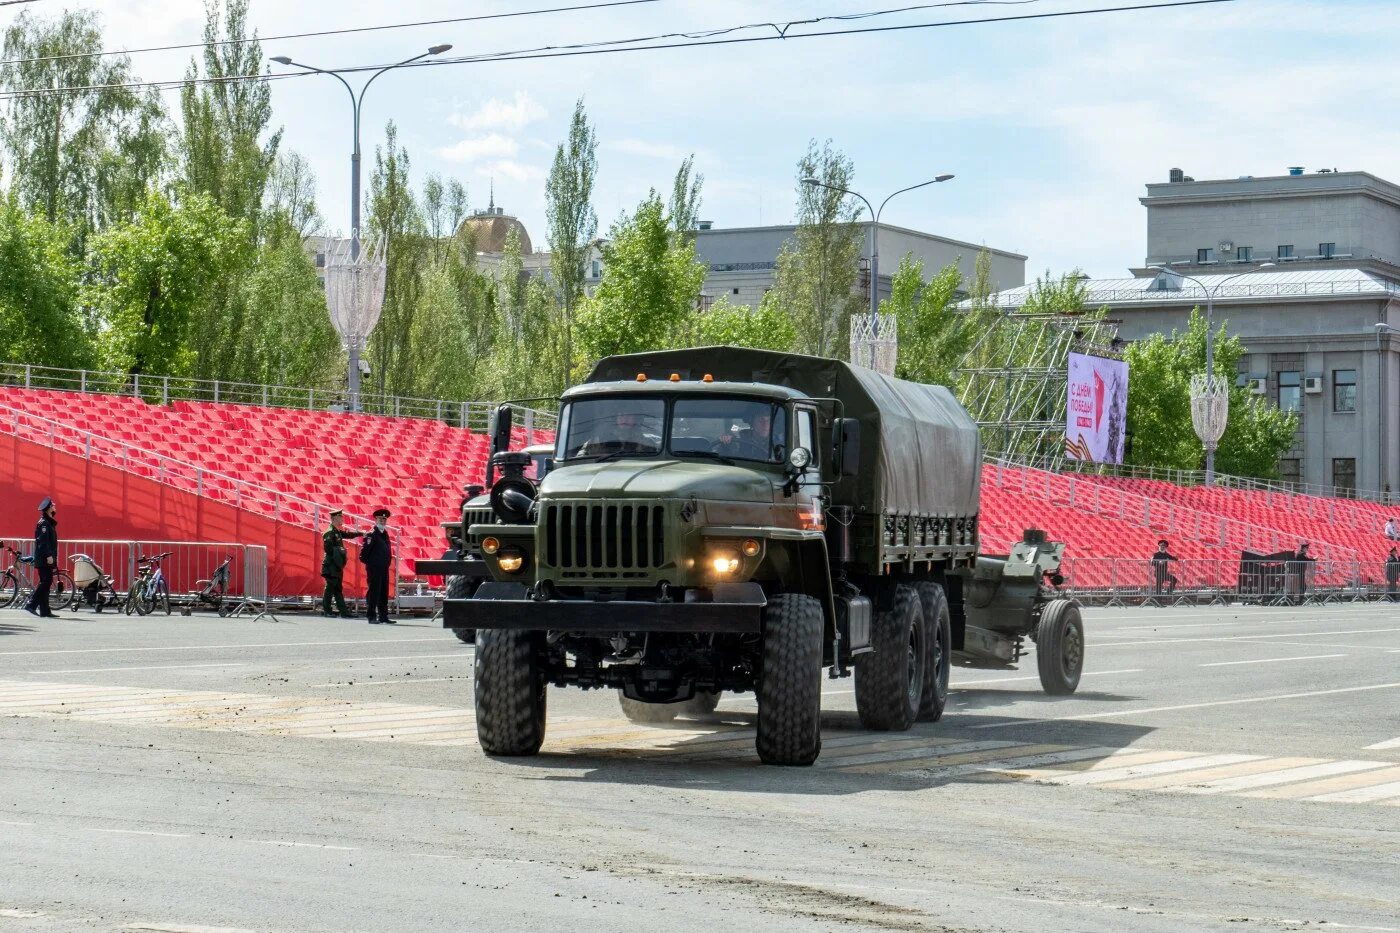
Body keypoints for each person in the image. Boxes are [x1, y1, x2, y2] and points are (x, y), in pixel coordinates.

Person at [320, 509, 362, 618]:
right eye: (340, 517)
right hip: (331, 565)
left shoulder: (336, 531)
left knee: (337, 588)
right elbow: (328, 550)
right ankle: (327, 610)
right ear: (334, 518)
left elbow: (348, 534)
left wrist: (361, 533)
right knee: (330, 588)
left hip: (336, 565)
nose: (342, 519)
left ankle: (344, 612)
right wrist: (339, 556)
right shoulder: (329, 532)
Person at [23, 497, 58, 618]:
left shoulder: (48, 522)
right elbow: (43, 542)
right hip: (44, 558)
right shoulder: (44, 523)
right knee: (46, 581)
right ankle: (31, 604)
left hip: (46, 557)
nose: (54, 506)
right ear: (48, 508)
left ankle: (45, 611)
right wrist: (48, 555)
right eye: (52, 504)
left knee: (46, 582)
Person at [360, 507, 394, 625]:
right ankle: (371, 616)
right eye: (380, 519)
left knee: (383, 592)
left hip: (384, 568)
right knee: (374, 592)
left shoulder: (385, 534)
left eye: (384, 519)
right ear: (375, 520)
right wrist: (372, 564)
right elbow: (363, 554)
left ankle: (383, 616)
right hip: (375, 568)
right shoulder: (372, 534)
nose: (383, 521)